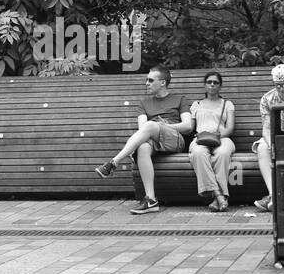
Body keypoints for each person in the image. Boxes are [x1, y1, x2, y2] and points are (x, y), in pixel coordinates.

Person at [94, 65, 193, 215]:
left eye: (150, 80)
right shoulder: (144, 103)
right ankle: (151, 200)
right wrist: (154, 128)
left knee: (150, 126)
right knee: (143, 147)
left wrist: (164, 126)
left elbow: (188, 126)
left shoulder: (179, 99)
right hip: (153, 139)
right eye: (146, 80)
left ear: (163, 82)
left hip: (175, 139)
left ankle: (114, 163)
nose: (146, 83)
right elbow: (143, 130)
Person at [252, 64, 284, 212]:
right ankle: (273, 195)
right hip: (275, 136)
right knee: (262, 148)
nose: (281, 88)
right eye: (278, 85)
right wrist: (270, 144)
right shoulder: (267, 99)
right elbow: (267, 127)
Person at [188, 70, 236, 212]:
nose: (212, 85)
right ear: (205, 85)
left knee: (222, 154)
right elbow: (190, 128)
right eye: (209, 82)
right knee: (198, 154)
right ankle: (219, 195)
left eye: (215, 82)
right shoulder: (196, 104)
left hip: (223, 137)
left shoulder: (227, 104)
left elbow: (230, 128)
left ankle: (217, 198)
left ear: (220, 86)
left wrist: (216, 137)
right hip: (200, 138)